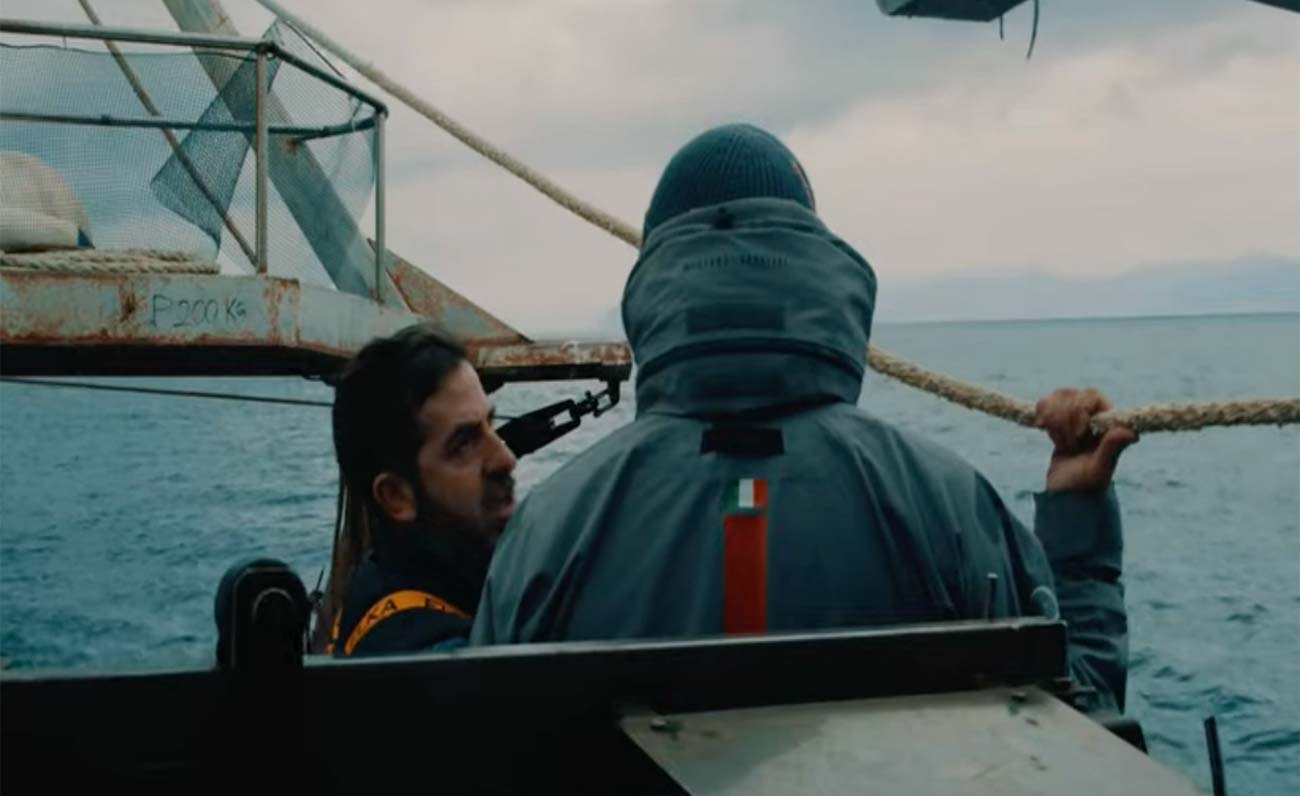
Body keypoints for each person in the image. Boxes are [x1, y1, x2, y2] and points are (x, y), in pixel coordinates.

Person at [471, 123, 1137, 713]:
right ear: (814, 255)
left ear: (656, 272)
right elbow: (1079, 725)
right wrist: (1078, 531)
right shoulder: (949, 509)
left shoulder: (547, 534)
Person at [327, 323, 517, 656]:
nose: (505, 458)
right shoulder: (419, 653)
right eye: (464, 444)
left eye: (492, 424)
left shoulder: (400, 576)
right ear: (396, 496)